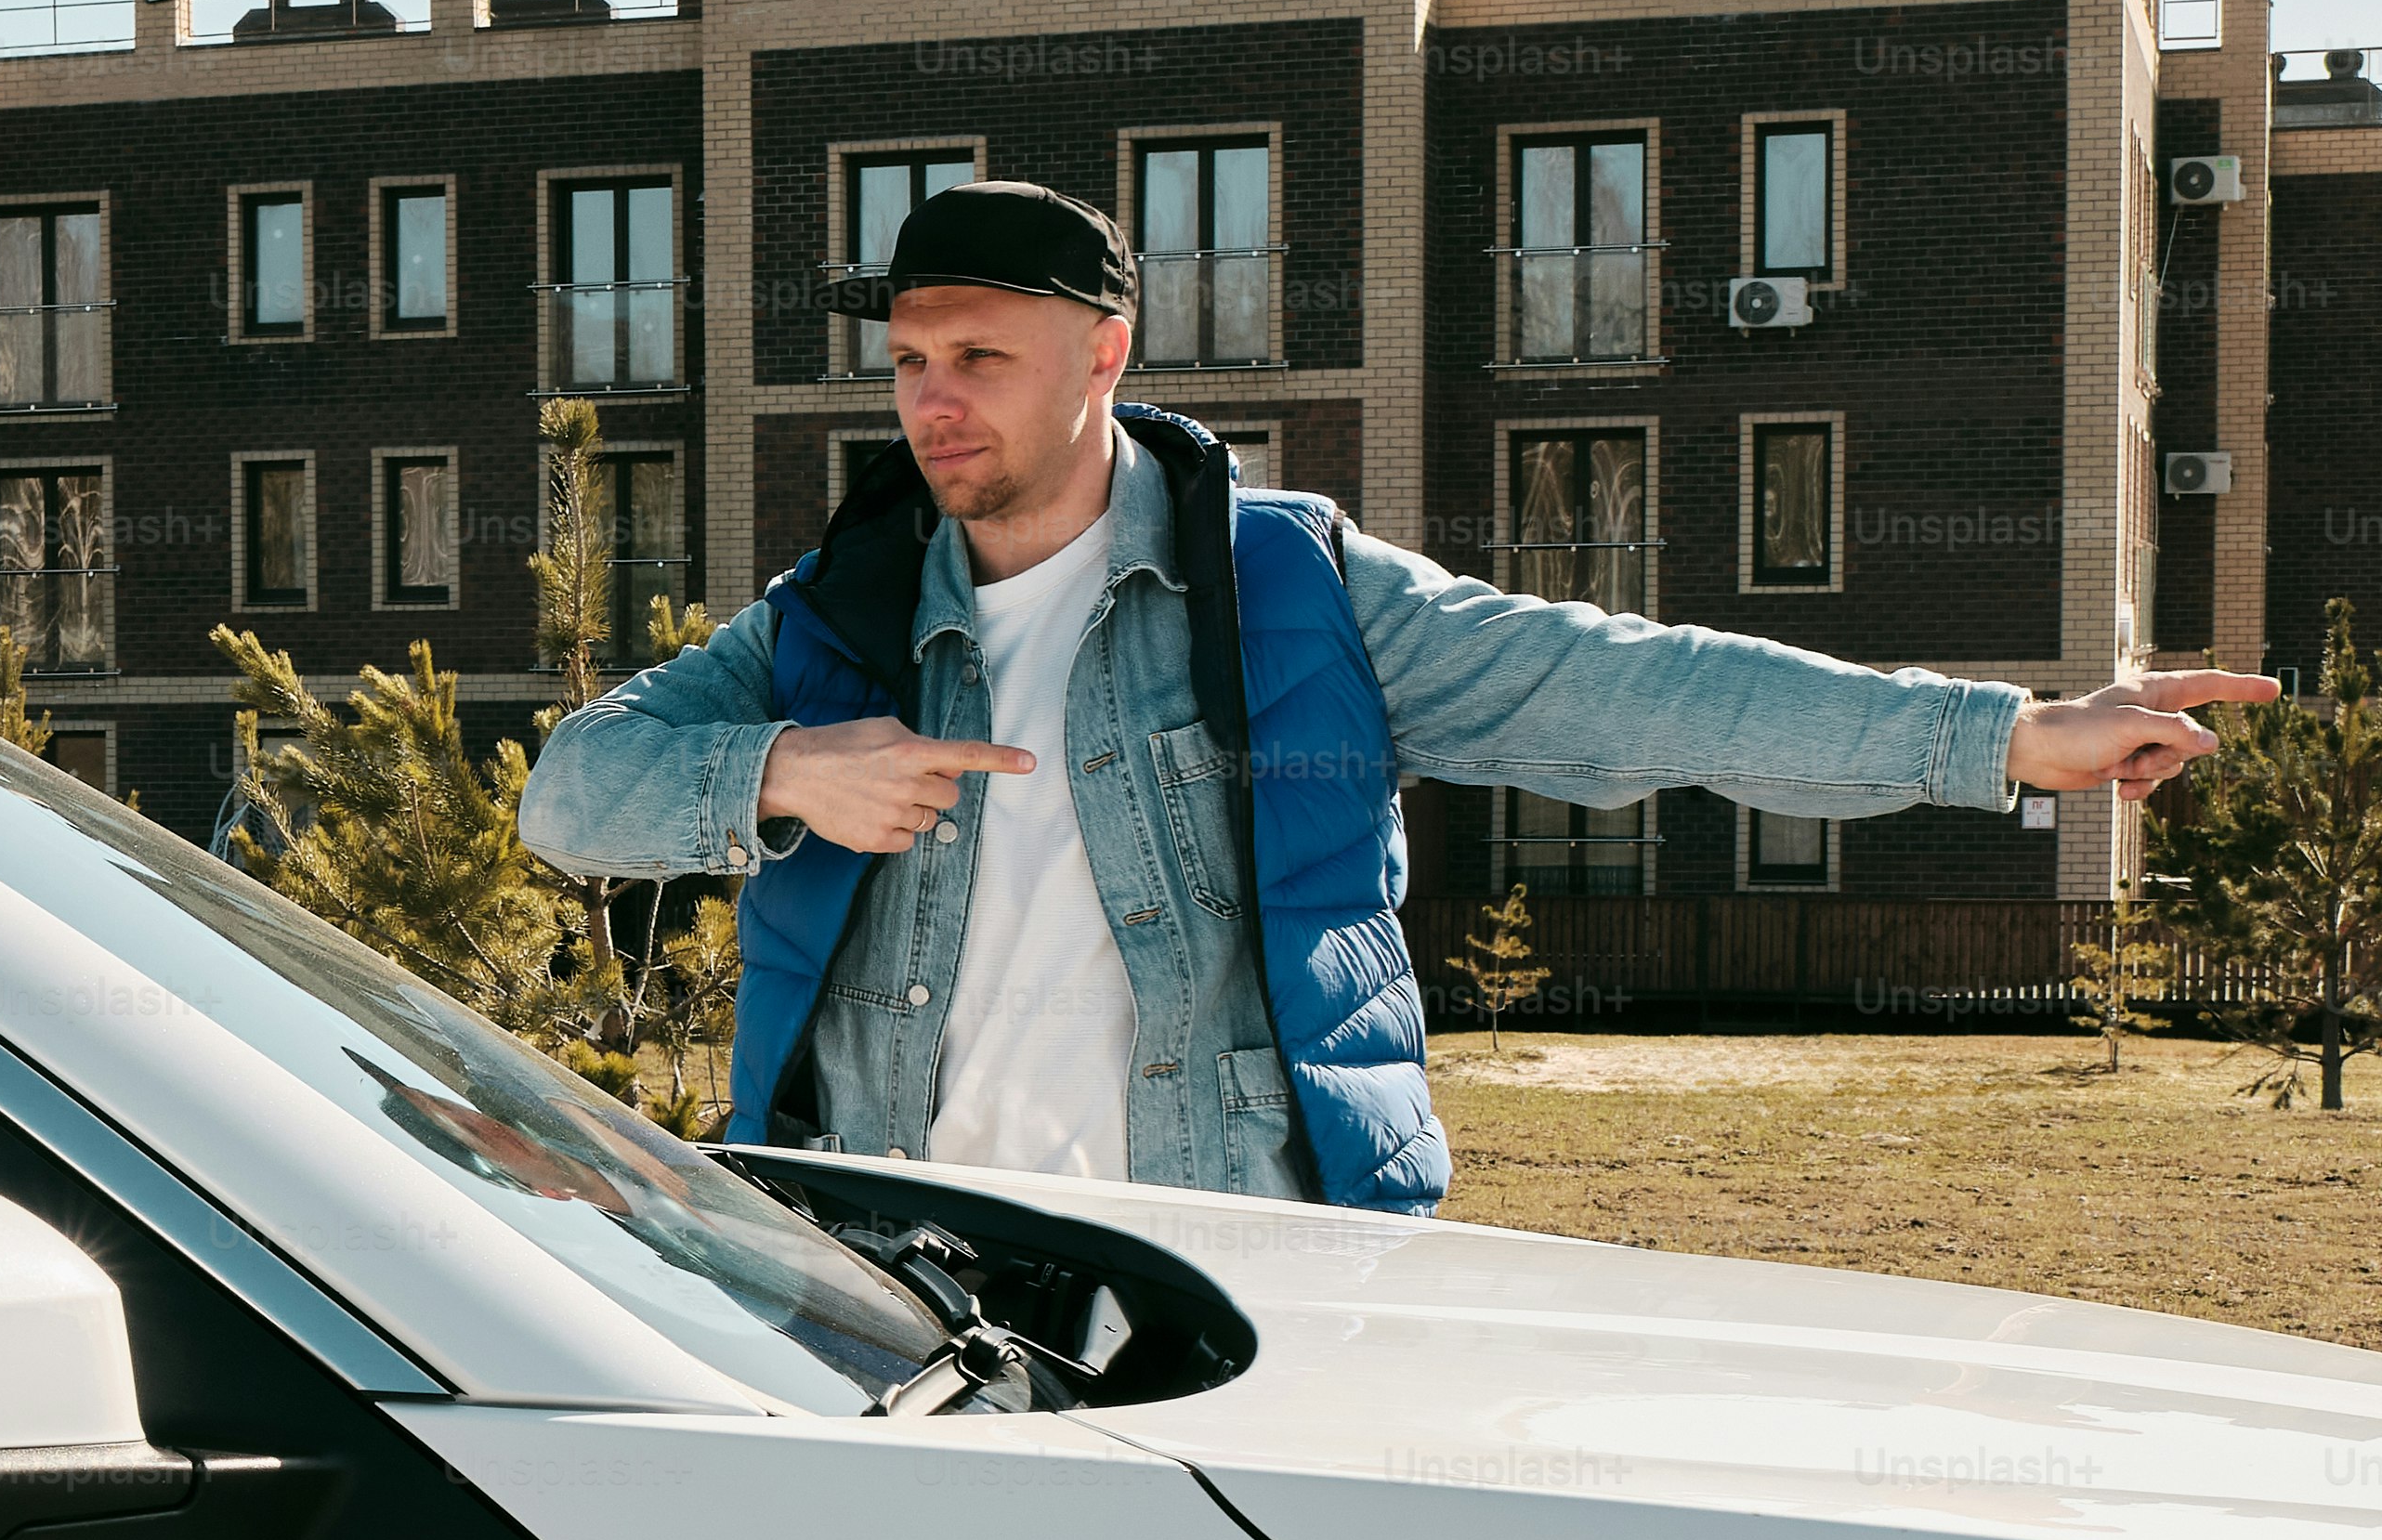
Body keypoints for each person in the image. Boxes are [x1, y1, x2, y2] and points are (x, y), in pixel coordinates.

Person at [518, 179, 2267, 1213]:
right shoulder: (835, 614)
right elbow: (567, 795)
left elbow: (1636, 688)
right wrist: (783, 768)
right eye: (908, 361)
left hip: (1211, 1275)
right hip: (892, 1276)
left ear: (1106, 356)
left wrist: (2009, 735)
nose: (933, 400)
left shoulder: (1289, 590)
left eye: (980, 355)